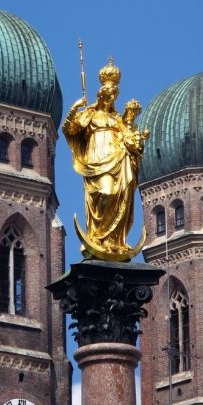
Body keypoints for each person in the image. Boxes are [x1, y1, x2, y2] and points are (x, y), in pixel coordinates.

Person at [62, 58, 149, 260]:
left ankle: (114, 241)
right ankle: (98, 236)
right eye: (108, 96)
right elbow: (70, 129)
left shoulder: (117, 119)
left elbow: (130, 137)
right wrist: (75, 108)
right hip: (97, 158)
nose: (111, 100)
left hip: (118, 159)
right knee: (106, 192)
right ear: (101, 96)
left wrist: (133, 127)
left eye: (114, 97)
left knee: (123, 193)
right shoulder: (90, 116)